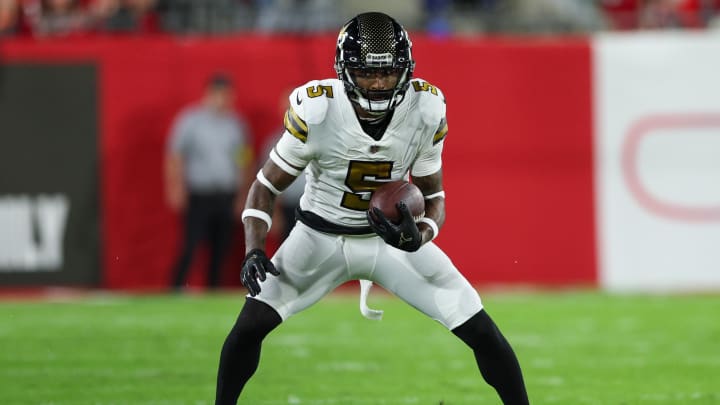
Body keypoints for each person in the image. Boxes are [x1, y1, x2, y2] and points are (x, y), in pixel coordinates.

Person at [215, 12, 529, 405]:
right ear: (345, 71)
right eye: (366, 73)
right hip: (317, 236)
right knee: (248, 327)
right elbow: (264, 186)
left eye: (389, 73)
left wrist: (422, 234)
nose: (379, 84)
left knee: (482, 330)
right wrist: (254, 249)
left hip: (390, 244)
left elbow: (435, 199)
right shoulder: (317, 110)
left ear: (406, 69)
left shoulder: (426, 109)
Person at [165, 73, 253, 291]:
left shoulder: (236, 124)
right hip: (199, 192)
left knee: (221, 247)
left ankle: (212, 289)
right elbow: (175, 156)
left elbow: (244, 161)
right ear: (209, 94)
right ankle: (176, 288)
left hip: (226, 193)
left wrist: (243, 195)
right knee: (190, 244)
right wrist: (175, 187)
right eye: (220, 95)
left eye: (227, 95)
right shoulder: (191, 120)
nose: (224, 100)